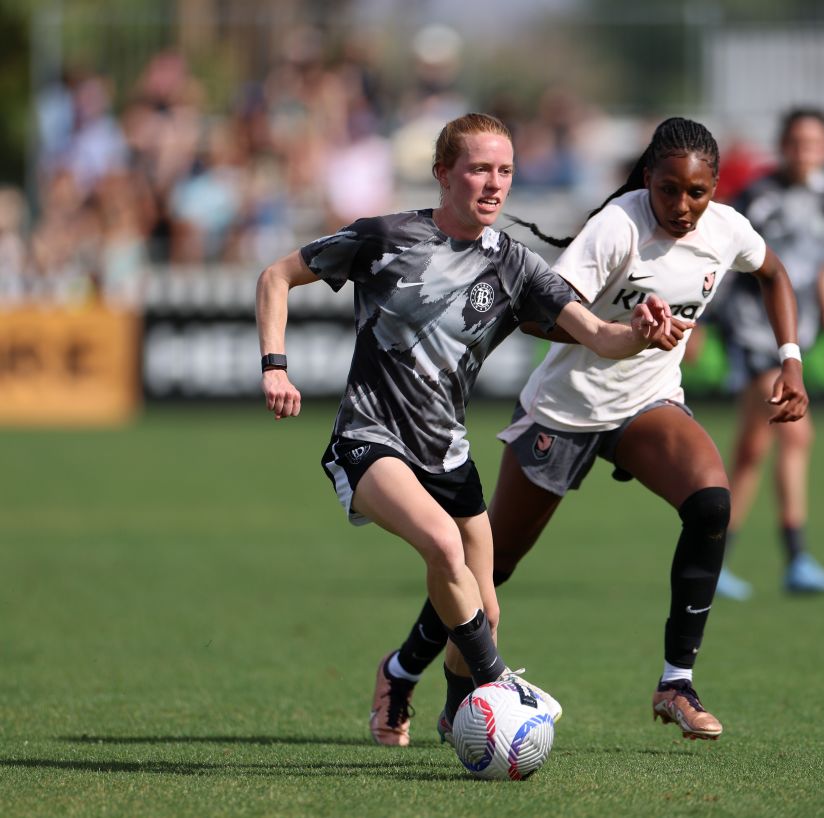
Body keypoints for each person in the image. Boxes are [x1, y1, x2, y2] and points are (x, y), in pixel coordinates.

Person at [367, 116, 809, 746]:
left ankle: (676, 681)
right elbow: (539, 315)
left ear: (714, 188)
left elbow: (774, 274)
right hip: (566, 411)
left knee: (711, 503)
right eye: (668, 190)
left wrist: (790, 357)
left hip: (646, 403)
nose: (682, 207)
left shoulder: (726, 228)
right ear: (647, 179)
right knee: (491, 566)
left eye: (698, 192)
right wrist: (624, 331)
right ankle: (403, 669)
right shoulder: (617, 228)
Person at [255, 112, 673, 745]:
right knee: (443, 550)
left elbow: (598, 336)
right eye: (479, 168)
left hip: (447, 453)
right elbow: (276, 277)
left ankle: (443, 705)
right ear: (443, 174)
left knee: (484, 610)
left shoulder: (517, 267)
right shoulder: (387, 237)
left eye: (505, 170)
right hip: (370, 439)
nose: (494, 183)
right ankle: (501, 688)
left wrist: (638, 333)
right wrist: (275, 367)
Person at [707, 107, 824, 601]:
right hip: (752, 328)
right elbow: (723, 257)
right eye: (796, 141)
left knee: (754, 448)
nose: (804, 150)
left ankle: (721, 560)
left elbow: (821, 263)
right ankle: (795, 558)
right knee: (794, 431)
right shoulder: (760, 198)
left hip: (795, 330)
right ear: (782, 145)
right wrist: (699, 321)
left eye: (814, 142)